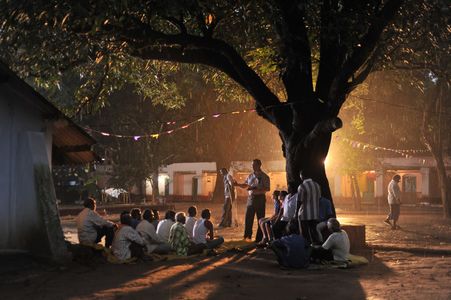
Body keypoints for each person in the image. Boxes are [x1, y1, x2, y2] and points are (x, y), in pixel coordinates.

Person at [235, 159, 270, 242]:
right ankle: (247, 237)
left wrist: (257, 188)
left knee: (260, 219)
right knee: (248, 219)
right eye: (252, 165)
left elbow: (268, 188)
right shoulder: (250, 176)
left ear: (259, 165)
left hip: (260, 198)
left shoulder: (265, 176)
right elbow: (246, 185)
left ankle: (259, 239)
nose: (253, 167)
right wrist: (237, 184)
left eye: (254, 165)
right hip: (251, 198)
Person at [297, 171, 321, 245]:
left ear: (302, 176)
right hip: (315, 213)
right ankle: (316, 247)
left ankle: (306, 248)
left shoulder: (302, 186)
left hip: (304, 213)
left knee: (305, 233)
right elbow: (319, 198)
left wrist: (296, 213)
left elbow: (299, 201)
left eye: (300, 175)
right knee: (314, 231)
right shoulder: (317, 185)